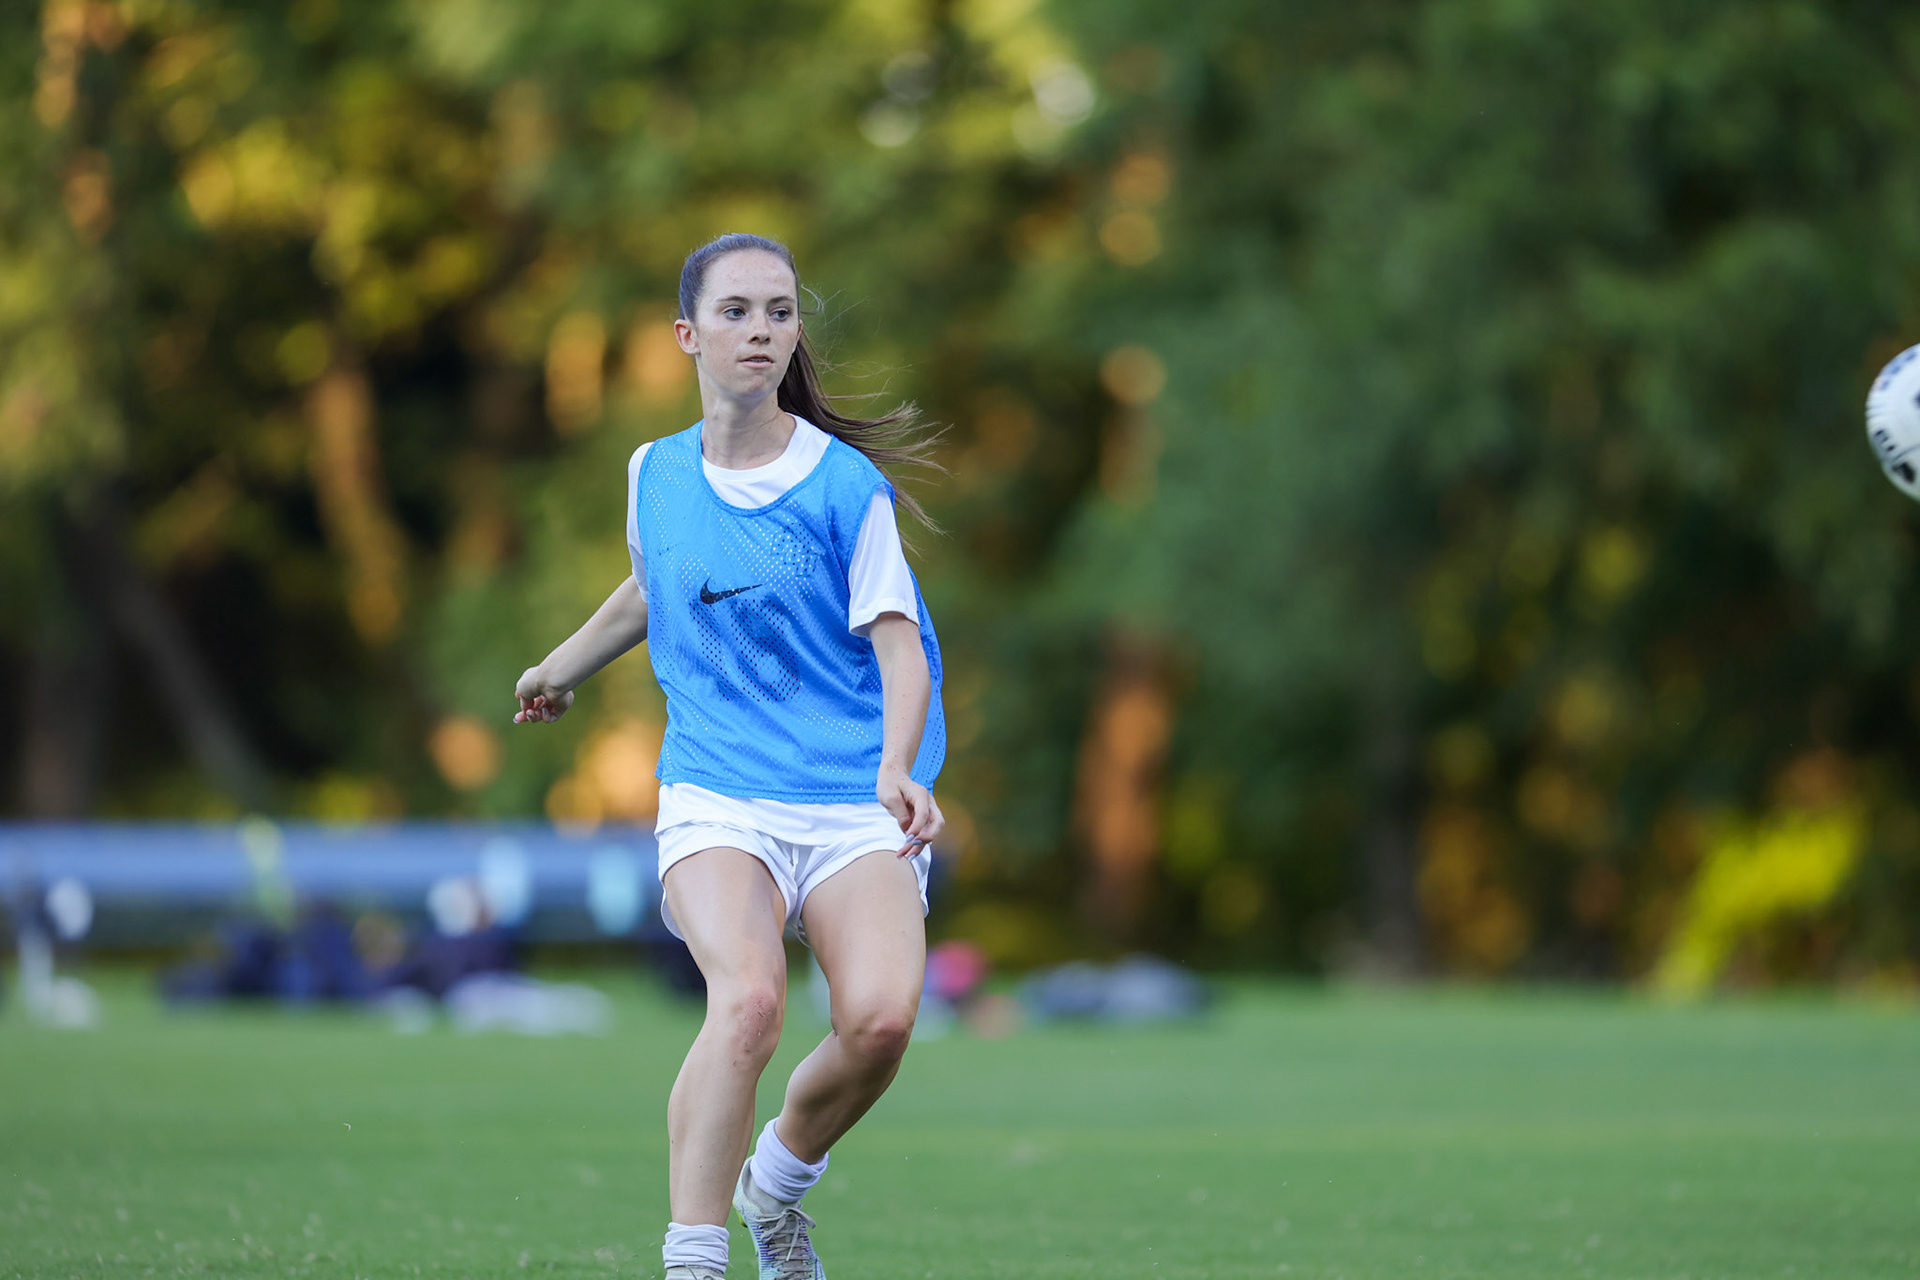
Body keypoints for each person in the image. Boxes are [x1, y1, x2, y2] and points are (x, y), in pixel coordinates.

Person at [512, 232, 947, 1280]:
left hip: (852, 794)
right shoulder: (653, 471)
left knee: (882, 1019)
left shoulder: (844, 486)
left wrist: (898, 767)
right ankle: (695, 1258)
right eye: (739, 310)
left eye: (780, 312)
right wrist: (560, 665)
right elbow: (656, 584)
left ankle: (778, 1185)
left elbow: (902, 644)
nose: (762, 329)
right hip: (718, 790)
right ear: (688, 333)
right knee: (747, 999)